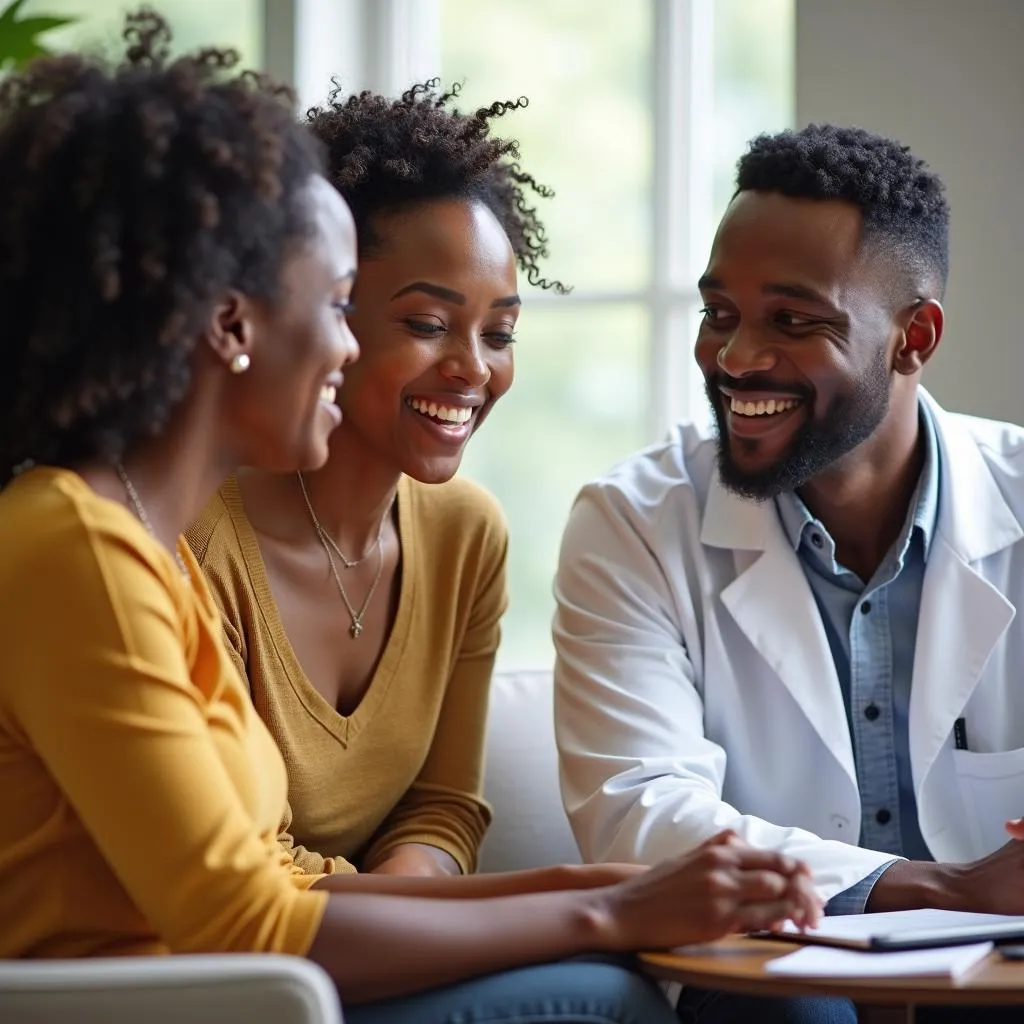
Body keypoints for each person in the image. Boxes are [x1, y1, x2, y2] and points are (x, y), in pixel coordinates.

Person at [0, 11, 822, 1023]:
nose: (344, 351)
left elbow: (282, 880)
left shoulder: (134, 547)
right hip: (169, 1003)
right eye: (338, 302)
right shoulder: (74, 543)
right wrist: (605, 914)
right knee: (605, 994)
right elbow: (248, 923)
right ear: (230, 324)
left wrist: (615, 892)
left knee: (743, 994)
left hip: (237, 986)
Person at [553, 123, 1024, 1022]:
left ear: (912, 338)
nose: (734, 359)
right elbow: (640, 814)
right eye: (719, 313)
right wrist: (936, 889)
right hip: (764, 976)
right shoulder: (632, 522)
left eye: (793, 320)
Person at [186, 81, 561, 878]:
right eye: (427, 325)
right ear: (320, 312)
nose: (473, 369)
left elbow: (443, 805)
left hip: (374, 951)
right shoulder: (193, 538)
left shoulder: (466, 533)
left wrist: (408, 912)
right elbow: (235, 884)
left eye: (500, 334)